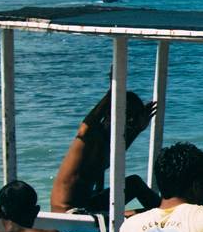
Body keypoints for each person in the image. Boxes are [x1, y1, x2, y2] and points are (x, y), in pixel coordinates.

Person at [51, 89, 159, 221]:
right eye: (128, 121)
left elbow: (114, 154)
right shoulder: (91, 137)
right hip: (69, 213)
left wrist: (137, 129)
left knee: (147, 205)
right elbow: (84, 129)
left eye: (131, 123)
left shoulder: (105, 142)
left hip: (86, 207)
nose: (127, 128)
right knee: (135, 185)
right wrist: (110, 95)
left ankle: (168, 213)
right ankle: (168, 215)